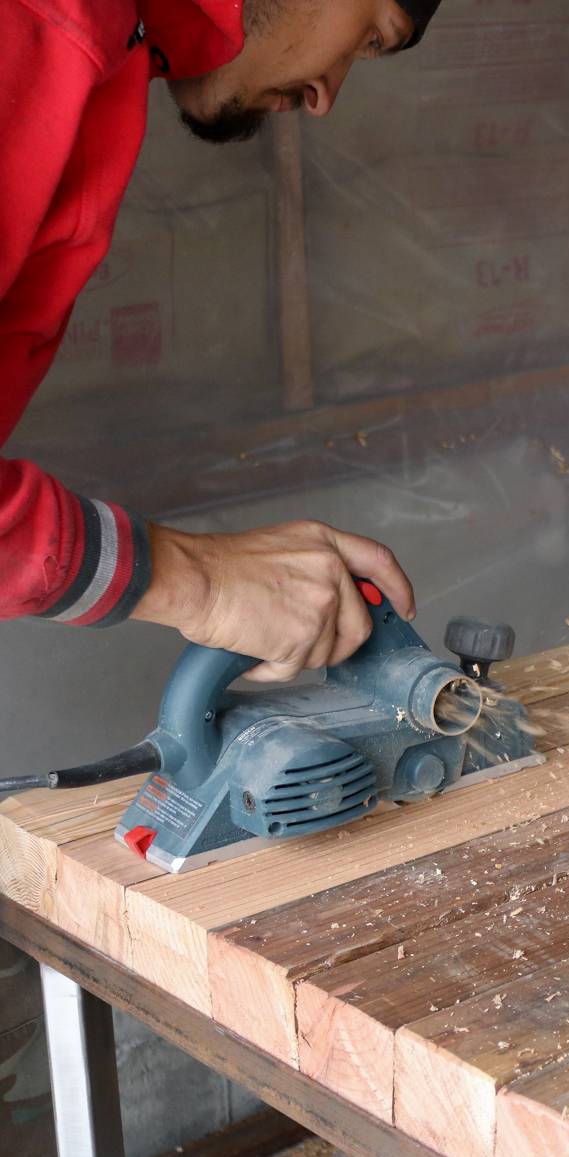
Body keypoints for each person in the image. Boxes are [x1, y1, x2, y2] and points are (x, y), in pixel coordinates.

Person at [1, 0, 438, 681]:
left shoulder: (107, 48)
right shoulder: (46, 23)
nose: (325, 96)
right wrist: (196, 579)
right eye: (371, 36)